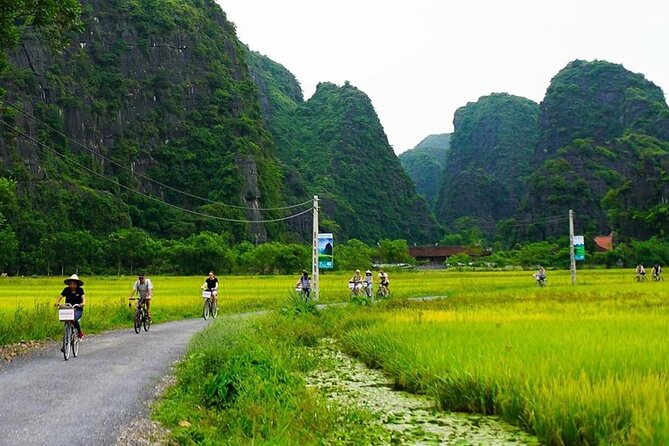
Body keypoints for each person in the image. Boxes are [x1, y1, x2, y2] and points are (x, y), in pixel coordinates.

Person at [54, 274, 86, 340]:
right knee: (66, 320)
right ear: (69, 284)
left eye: (74, 284)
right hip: (68, 309)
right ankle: (65, 344)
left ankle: (79, 332)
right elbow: (60, 296)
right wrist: (57, 302)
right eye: (71, 284)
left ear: (77, 284)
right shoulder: (66, 290)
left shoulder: (80, 290)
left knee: (74, 319)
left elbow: (83, 297)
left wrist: (83, 303)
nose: (72, 286)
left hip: (77, 309)